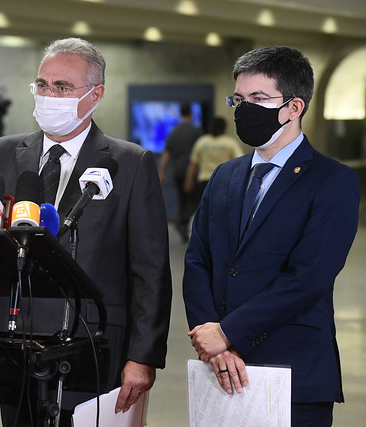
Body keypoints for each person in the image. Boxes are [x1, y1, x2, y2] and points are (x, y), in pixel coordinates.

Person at [0, 37, 172, 426]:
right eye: (42, 85)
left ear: (96, 95)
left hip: (93, 344)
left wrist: (143, 356)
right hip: (14, 341)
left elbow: (150, 269)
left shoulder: (130, 163)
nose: (49, 96)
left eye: (63, 87)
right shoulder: (2, 151)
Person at [183, 46, 360, 426]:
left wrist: (228, 332)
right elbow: (198, 259)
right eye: (239, 99)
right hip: (219, 370)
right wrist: (211, 340)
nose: (244, 110)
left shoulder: (333, 181)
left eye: (259, 99)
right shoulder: (225, 176)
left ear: (294, 107)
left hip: (293, 370)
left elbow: (308, 277)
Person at [158, 103, 202, 242]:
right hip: (193, 172)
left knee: (182, 200)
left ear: (180, 114)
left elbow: (166, 153)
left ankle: (182, 224)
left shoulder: (174, 132)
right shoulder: (197, 131)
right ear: (191, 114)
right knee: (195, 201)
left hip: (177, 171)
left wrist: (161, 171)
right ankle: (182, 221)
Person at [183, 116, 243, 200]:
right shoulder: (230, 143)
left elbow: (194, 164)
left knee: (204, 210)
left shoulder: (202, 141)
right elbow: (240, 163)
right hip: (224, 182)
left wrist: (189, 180)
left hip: (204, 182)